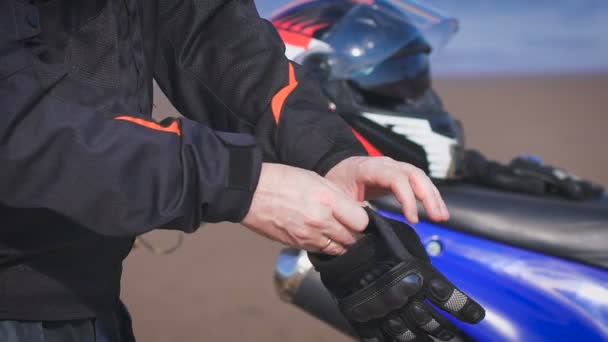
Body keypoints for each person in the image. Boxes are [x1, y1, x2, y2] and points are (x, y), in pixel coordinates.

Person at [0, 0, 449, 340]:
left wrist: (327, 158)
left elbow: (208, 28)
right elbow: (15, 123)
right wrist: (239, 182)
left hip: (87, 294)